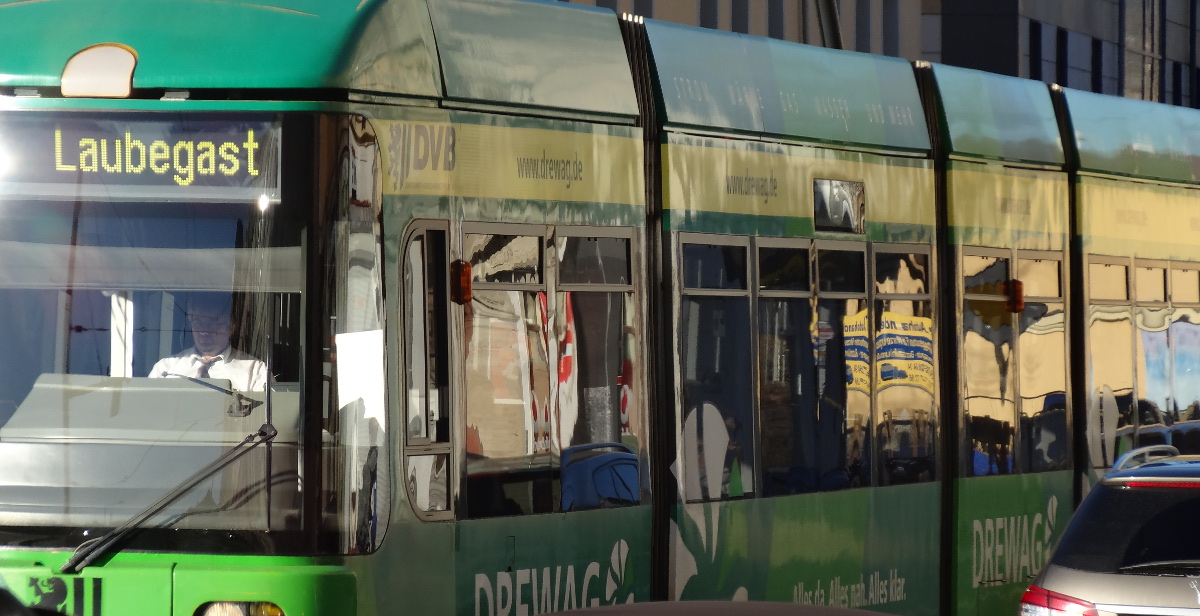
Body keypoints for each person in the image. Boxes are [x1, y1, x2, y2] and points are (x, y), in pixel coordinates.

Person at [150, 293, 267, 391]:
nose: (204, 330)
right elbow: (146, 409)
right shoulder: (166, 369)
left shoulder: (254, 370)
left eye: (212, 324)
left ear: (230, 327)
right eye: (197, 322)